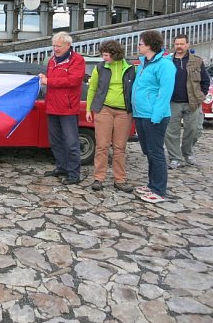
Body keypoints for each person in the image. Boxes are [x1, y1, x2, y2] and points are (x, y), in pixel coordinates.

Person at [85, 40, 136, 193]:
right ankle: (98, 178)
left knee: (120, 147)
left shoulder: (130, 68)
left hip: (123, 112)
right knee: (102, 145)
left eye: (106, 55)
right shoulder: (99, 68)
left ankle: (119, 179)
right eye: (103, 55)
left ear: (115, 54)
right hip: (104, 109)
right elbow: (92, 88)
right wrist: (89, 109)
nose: (104, 58)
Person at [132, 30, 176, 204]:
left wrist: (156, 115)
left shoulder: (165, 65)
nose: (138, 46)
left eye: (141, 43)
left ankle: (159, 190)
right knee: (148, 151)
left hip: (154, 116)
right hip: (141, 114)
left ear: (149, 45)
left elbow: (165, 93)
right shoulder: (144, 63)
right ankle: (152, 184)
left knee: (156, 152)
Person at [39, 32, 86, 185]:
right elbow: (50, 81)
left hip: (68, 108)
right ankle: (62, 167)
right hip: (52, 106)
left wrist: (49, 81)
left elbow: (73, 80)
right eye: (54, 46)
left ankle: (74, 174)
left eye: (58, 46)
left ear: (68, 45)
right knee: (55, 141)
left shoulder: (77, 60)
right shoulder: (52, 60)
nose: (55, 49)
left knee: (71, 142)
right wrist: (43, 79)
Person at [164, 34, 210, 169]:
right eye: (177, 44)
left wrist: (201, 96)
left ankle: (187, 152)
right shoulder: (167, 62)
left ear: (187, 45)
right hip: (172, 102)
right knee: (171, 132)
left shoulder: (197, 61)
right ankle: (175, 158)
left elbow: (205, 81)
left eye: (182, 44)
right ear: (174, 45)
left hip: (192, 102)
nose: (179, 46)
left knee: (195, 129)